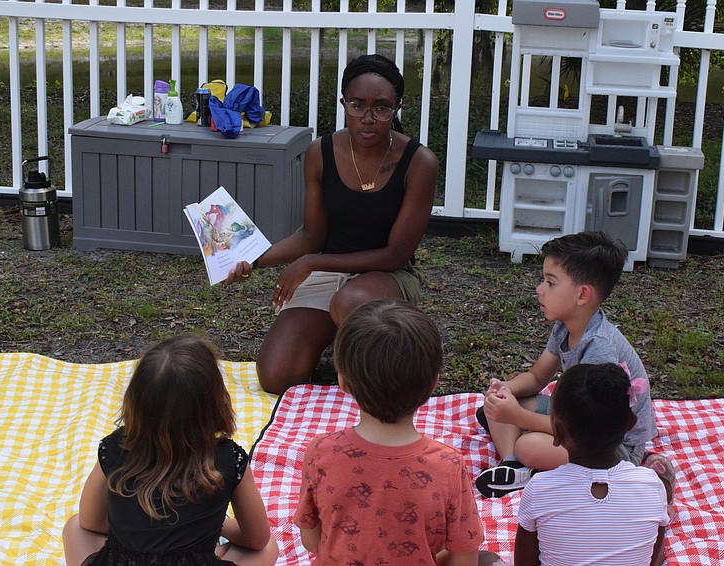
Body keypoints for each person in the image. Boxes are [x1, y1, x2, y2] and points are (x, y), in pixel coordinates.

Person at [225, 53, 439, 395]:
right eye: (357, 105)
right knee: (276, 376)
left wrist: (312, 262)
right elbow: (312, 235)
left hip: (387, 277)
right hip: (327, 273)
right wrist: (253, 259)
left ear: (398, 107)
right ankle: (345, 341)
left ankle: (368, 353)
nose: (368, 118)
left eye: (382, 107)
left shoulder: (419, 162)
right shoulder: (319, 152)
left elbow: (396, 254)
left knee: (350, 302)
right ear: (343, 104)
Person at [293, 299, 486, 565]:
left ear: (343, 382)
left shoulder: (320, 451)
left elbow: (311, 541)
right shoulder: (449, 465)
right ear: (433, 384)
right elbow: (465, 557)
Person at [62, 335, 279, 566]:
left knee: (75, 527)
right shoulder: (228, 458)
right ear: (215, 402)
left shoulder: (116, 447)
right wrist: (217, 524)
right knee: (267, 548)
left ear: (135, 401)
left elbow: (90, 521)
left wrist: (138, 534)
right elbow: (256, 539)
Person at [476, 230, 658, 498]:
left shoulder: (599, 349)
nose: (539, 289)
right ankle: (512, 464)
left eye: (550, 282)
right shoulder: (565, 326)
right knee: (502, 404)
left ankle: (526, 464)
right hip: (578, 417)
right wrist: (506, 390)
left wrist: (517, 417)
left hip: (611, 445)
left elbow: (586, 429)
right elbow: (538, 376)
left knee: (528, 443)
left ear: (582, 295)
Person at [514, 363, 670, 566]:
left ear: (557, 432)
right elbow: (651, 561)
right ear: (630, 424)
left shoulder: (539, 489)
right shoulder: (653, 486)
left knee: (487, 559)